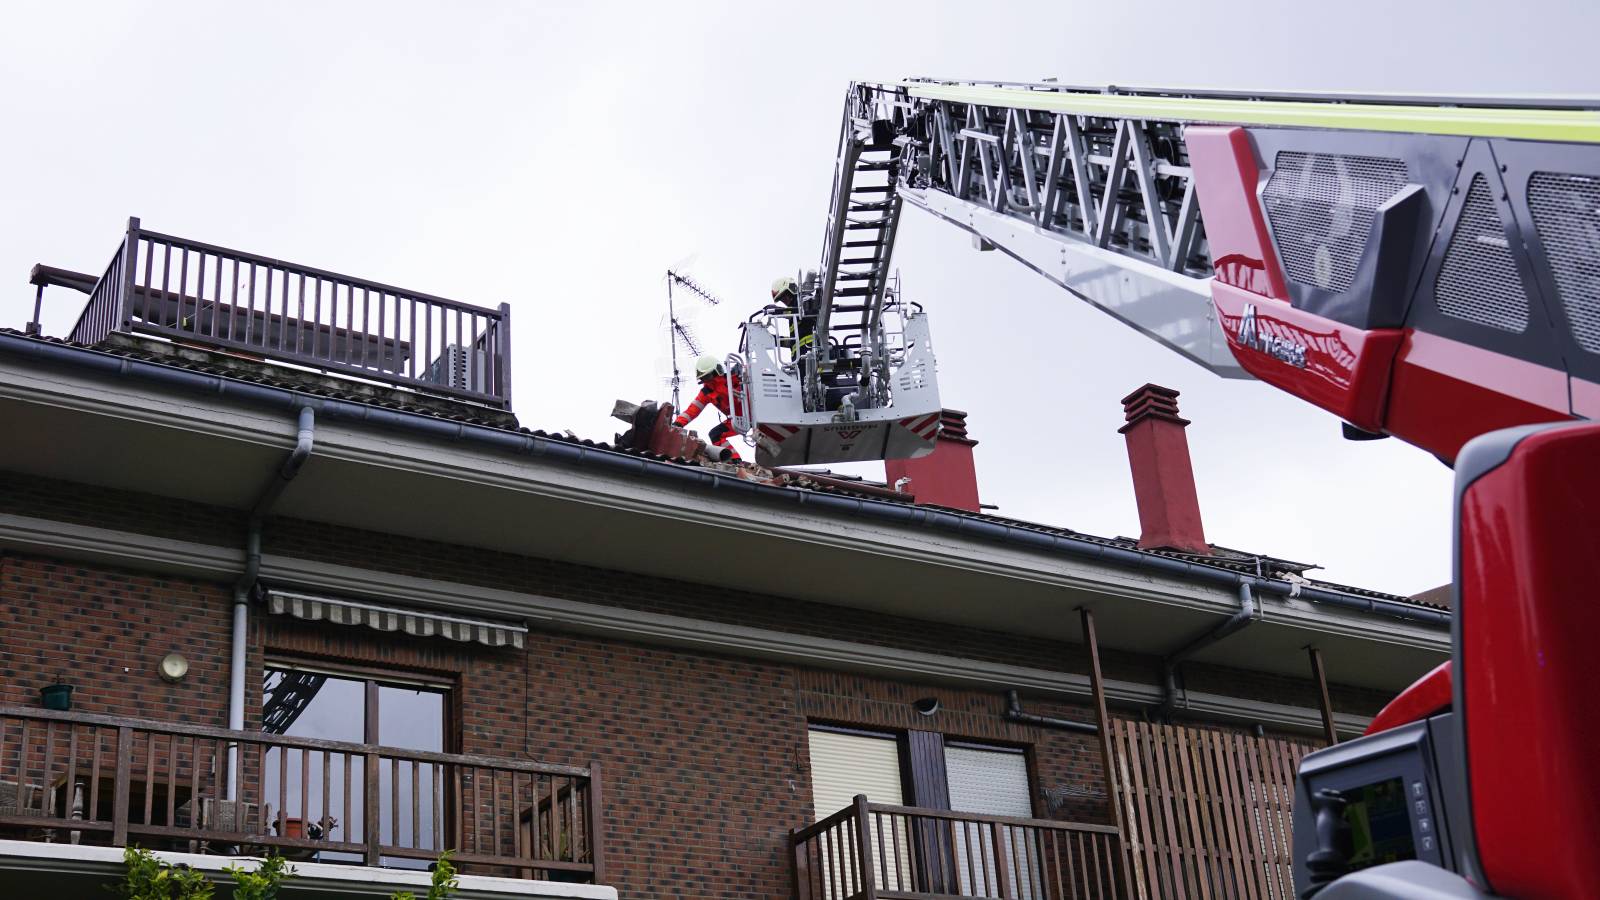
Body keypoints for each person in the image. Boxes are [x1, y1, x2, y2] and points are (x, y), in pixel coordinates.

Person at [674, 355, 742, 460]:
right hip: (738, 419)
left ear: (717, 371)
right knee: (715, 435)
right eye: (703, 377)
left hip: (756, 413)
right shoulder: (707, 392)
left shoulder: (737, 377)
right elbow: (692, 410)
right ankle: (734, 460)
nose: (706, 380)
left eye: (707, 376)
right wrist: (677, 424)